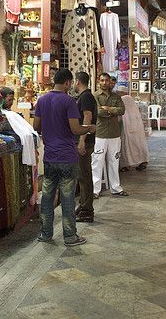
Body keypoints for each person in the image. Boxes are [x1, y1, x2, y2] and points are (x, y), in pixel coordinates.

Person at [33, 69, 95, 246]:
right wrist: (89, 128)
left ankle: (45, 234)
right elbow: (76, 129)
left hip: (50, 156)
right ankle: (69, 236)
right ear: (67, 83)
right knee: (67, 197)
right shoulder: (69, 101)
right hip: (67, 156)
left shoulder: (42, 100)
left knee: (47, 196)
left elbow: (36, 126)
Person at [92, 73, 128, 198]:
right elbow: (97, 112)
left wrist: (107, 109)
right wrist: (112, 110)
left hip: (114, 134)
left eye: (106, 80)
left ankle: (116, 187)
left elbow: (122, 110)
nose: (104, 83)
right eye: (102, 80)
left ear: (110, 82)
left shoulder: (116, 96)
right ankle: (95, 190)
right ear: (98, 81)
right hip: (100, 133)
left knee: (114, 161)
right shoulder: (94, 96)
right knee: (97, 162)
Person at [74, 72, 97, 223]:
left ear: (77, 82)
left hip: (86, 141)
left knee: (84, 176)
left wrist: (82, 140)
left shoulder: (86, 97)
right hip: (85, 140)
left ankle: (87, 210)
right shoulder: (85, 96)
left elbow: (87, 117)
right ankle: (83, 206)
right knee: (82, 175)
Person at [118, 88, 149, 172]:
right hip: (137, 129)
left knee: (128, 147)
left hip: (127, 129)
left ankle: (126, 164)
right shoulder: (131, 102)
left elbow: (119, 118)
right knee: (139, 145)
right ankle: (143, 161)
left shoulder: (123, 100)